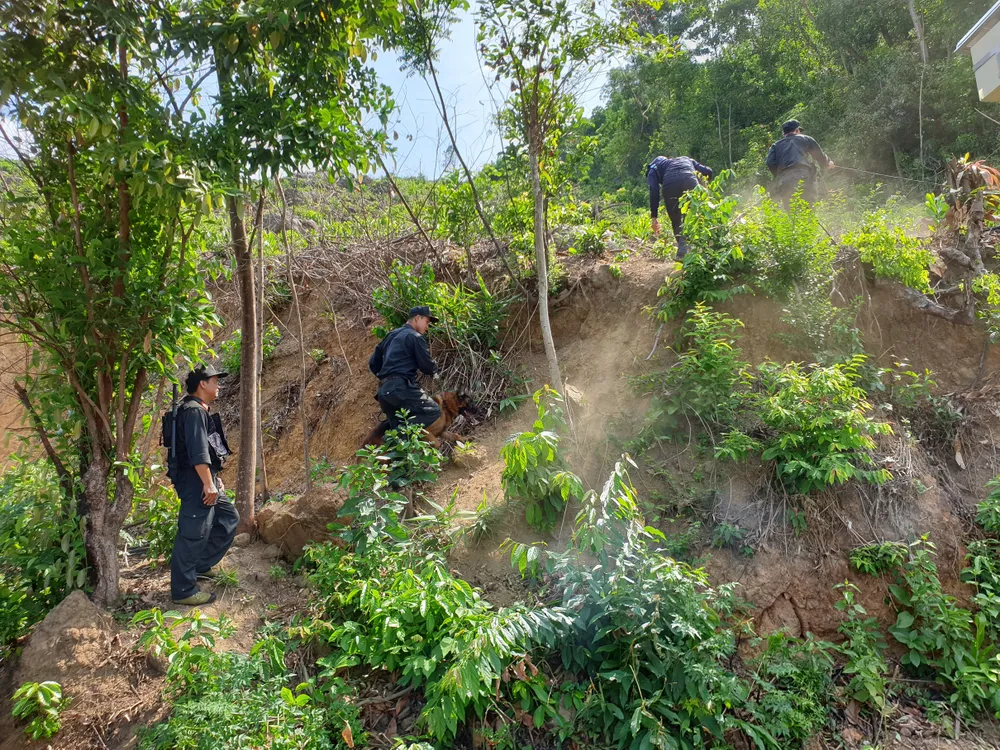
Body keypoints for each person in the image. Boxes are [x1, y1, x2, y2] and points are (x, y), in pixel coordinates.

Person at [167, 364, 239, 606]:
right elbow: (198, 453)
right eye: (215, 381)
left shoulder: (198, 410)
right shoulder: (193, 412)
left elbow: (205, 451)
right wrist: (208, 484)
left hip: (204, 478)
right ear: (202, 384)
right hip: (195, 482)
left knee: (228, 518)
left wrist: (214, 477)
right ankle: (184, 590)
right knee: (193, 533)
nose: (219, 385)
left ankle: (200, 565)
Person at [368, 305, 442, 429]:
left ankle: (395, 443)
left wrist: (388, 378)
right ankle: (401, 435)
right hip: (400, 389)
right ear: (418, 318)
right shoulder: (415, 337)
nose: (427, 327)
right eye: (427, 322)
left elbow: (373, 364)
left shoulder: (391, 335)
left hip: (383, 393)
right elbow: (427, 367)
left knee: (397, 429)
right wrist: (434, 369)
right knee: (433, 411)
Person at [647, 155, 714, 259]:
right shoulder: (687, 159)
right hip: (689, 179)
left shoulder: (652, 168)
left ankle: (683, 253)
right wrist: (705, 186)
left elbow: (654, 190)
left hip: (670, 184)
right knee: (693, 216)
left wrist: (654, 217)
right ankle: (705, 247)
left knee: (676, 220)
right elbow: (708, 171)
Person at [766, 120, 835, 210]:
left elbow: (770, 163)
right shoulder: (804, 138)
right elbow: (818, 154)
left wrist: (781, 175)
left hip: (785, 181)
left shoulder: (775, 145)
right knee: (808, 209)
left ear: (784, 133)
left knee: (791, 212)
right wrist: (827, 162)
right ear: (797, 130)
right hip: (804, 177)